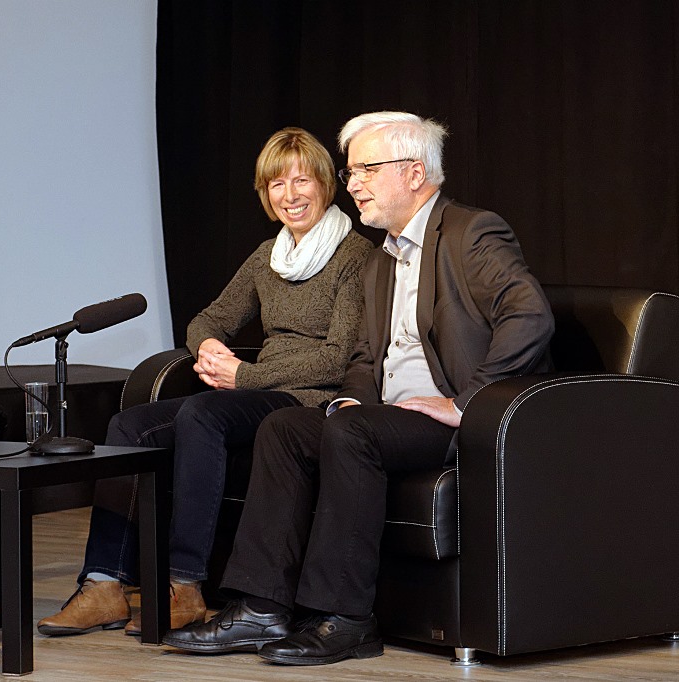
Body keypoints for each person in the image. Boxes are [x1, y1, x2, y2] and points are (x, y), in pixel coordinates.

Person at [163, 111, 555, 665]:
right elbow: (367, 355)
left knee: (352, 434)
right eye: (351, 173)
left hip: (461, 418)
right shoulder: (384, 258)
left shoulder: (471, 232)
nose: (352, 185)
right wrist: (349, 398)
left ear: (414, 173)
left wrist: (468, 402)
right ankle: (261, 608)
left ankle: (345, 618)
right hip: (389, 415)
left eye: (366, 170)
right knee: (285, 428)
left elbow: (530, 315)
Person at [37, 127, 373, 637]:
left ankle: (185, 586)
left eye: (301, 181)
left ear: (326, 184)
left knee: (203, 413)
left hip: (307, 399)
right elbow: (208, 319)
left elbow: (337, 359)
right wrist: (209, 347)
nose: (290, 195)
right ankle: (104, 585)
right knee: (129, 426)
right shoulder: (268, 256)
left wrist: (245, 375)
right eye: (277, 184)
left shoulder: (355, 256)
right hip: (256, 390)